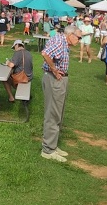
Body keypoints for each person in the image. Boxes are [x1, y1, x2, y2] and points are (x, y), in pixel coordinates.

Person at [40, 24, 82, 162]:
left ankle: (52, 145)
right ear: (71, 35)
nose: (79, 40)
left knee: (58, 113)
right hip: (54, 80)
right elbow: (45, 54)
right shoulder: (59, 41)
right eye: (79, 37)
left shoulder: (61, 41)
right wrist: (54, 69)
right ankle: (48, 150)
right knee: (53, 114)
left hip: (58, 80)